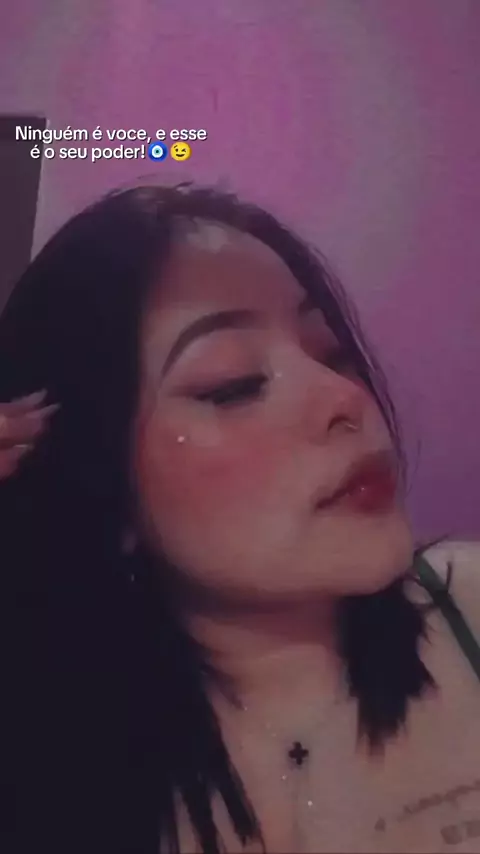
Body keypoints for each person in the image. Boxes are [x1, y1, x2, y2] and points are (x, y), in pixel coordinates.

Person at [0, 183, 479, 854]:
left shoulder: (469, 607)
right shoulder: (37, 763)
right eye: (233, 384)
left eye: (332, 352)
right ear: (99, 481)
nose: (344, 397)